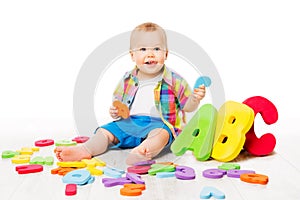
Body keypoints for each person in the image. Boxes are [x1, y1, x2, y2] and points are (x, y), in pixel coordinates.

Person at [55, 22, 206, 165]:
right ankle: (85, 149)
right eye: (143, 49)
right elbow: (119, 106)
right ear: (132, 55)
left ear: (166, 54)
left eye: (156, 49)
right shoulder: (127, 79)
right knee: (104, 131)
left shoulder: (175, 80)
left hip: (159, 124)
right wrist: (115, 112)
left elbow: (187, 107)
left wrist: (194, 98)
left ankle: (142, 151)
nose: (150, 54)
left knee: (161, 135)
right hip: (129, 123)